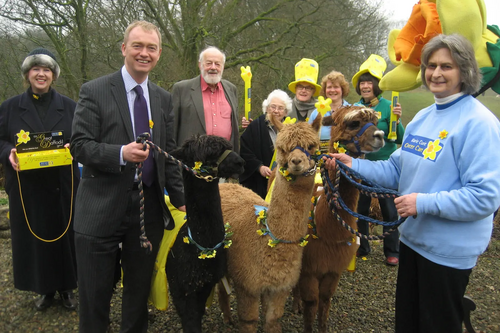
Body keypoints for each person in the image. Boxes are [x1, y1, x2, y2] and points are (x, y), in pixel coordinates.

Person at [326, 34, 500, 332]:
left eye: (447, 65)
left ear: (465, 70)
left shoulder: (479, 123)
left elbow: (485, 197)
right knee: (408, 323)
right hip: (413, 243)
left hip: (447, 254)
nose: (436, 73)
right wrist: (354, 164)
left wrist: (422, 203)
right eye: (431, 65)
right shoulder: (422, 118)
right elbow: (396, 171)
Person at [70, 21, 185, 333]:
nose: (143, 53)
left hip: (146, 212)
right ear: (124, 48)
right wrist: (120, 153)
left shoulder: (162, 98)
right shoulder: (94, 91)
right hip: (99, 207)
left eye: (151, 48)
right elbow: (79, 146)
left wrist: (180, 200)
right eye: (137, 46)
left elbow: (169, 152)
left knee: (137, 296)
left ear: (159, 53)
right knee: (95, 297)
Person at [0, 48, 79, 310]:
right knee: (35, 240)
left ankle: (67, 287)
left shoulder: (70, 106)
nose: (41, 74)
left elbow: (81, 140)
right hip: (27, 188)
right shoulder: (10, 107)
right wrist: (7, 152)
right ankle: (44, 288)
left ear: (54, 75)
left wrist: (73, 149)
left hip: (62, 185)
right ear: (27, 74)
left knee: (65, 236)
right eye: (36, 69)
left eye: (46, 69)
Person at [352, 54, 404, 266]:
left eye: (369, 83)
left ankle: (392, 251)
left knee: (389, 210)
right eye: (362, 83)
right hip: (362, 165)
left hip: (384, 166)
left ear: (376, 86)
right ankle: (363, 247)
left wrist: (397, 120)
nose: (365, 86)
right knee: (361, 209)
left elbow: (399, 138)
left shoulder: (388, 106)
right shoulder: (355, 107)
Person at [172, 46, 239, 152]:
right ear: (200, 65)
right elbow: (172, 129)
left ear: (223, 66)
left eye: (217, 64)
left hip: (224, 161)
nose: (213, 67)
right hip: (192, 159)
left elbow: (233, 127)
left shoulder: (231, 89)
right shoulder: (182, 89)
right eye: (208, 63)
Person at [239, 89, 292, 199]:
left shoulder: (291, 128)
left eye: (280, 108)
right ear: (267, 108)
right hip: (259, 184)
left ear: (286, 112)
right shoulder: (254, 127)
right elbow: (245, 152)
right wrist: (259, 167)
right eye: (273, 107)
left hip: (284, 182)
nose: (276, 111)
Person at [308, 70, 351, 152]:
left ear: (342, 89)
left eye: (336, 87)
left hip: (346, 160)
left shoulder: (351, 111)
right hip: (321, 160)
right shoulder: (316, 113)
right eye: (329, 87)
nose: (332, 90)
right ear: (324, 90)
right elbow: (309, 139)